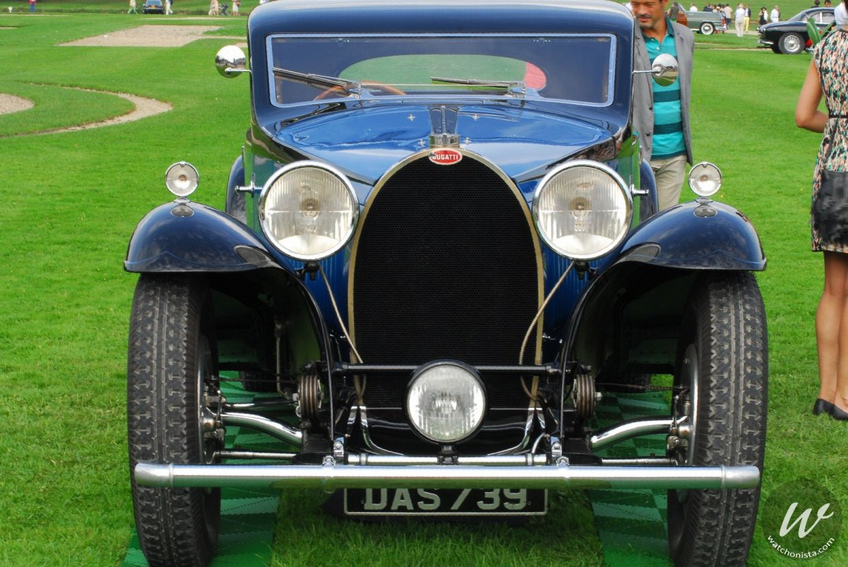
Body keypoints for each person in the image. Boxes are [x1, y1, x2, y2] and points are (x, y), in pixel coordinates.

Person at [795, 0, 848, 420]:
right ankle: (846, 396)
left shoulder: (826, 47)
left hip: (830, 174)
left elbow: (803, 116)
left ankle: (826, 393)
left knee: (833, 291)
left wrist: (838, 123)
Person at [632, 0, 695, 212]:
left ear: (664, 2)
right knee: (634, 230)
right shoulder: (626, 36)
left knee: (663, 228)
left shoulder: (685, 37)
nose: (641, 11)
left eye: (648, 4)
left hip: (675, 153)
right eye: (635, 4)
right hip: (636, 155)